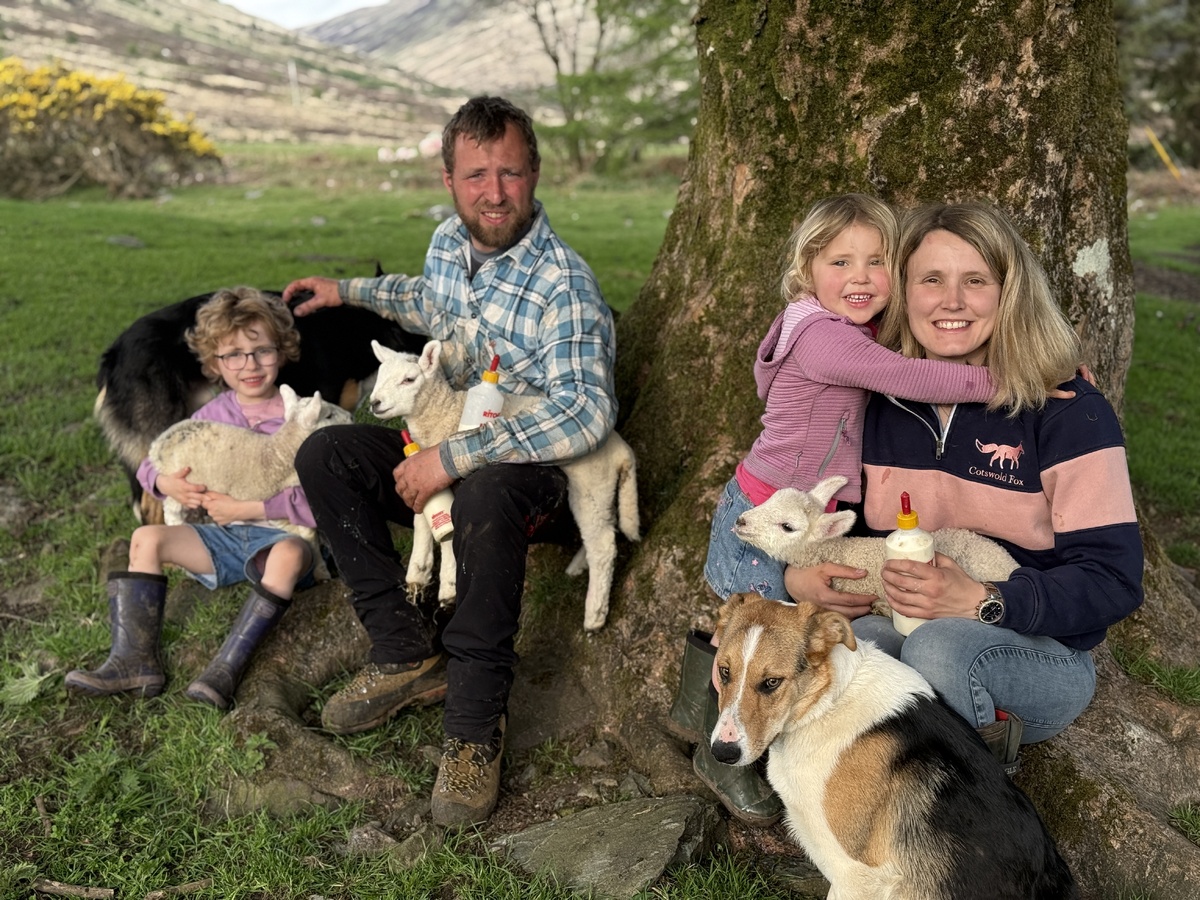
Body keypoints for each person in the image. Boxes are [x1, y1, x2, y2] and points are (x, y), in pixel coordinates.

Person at [281, 96, 616, 829]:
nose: (493, 193)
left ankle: (471, 730)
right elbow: (428, 301)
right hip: (443, 445)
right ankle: (403, 651)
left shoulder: (566, 285)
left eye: (510, 173)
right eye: (475, 175)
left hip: (534, 480)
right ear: (448, 178)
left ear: (535, 175)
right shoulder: (446, 245)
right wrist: (348, 292)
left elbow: (586, 413)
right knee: (327, 451)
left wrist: (453, 457)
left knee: (485, 493)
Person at [670, 193, 1000, 825]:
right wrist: (1008, 378)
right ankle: (718, 750)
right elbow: (914, 378)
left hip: (800, 514)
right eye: (840, 262)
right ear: (805, 273)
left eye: (877, 263)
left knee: (776, 623)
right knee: (752, 625)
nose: (860, 278)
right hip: (765, 512)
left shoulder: (842, 330)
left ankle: (694, 717)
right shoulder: (823, 337)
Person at [783, 201, 1144, 773]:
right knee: (858, 643)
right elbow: (830, 521)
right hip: (902, 622)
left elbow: (1115, 580)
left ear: (1009, 294)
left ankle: (976, 819)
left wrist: (983, 599)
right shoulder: (872, 400)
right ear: (902, 292)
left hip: (1039, 650)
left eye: (975, 280)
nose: (951, 301)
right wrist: (801, 578)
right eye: (931, 280)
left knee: (938, 648)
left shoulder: (1066, 411)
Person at [66, 287, 318, 709]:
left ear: (284, 349)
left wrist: (250, 508)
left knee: (290, 553)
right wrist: (167, 485)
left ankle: (226, 670)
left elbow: (319, 499)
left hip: (278, 538)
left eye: (261, 351)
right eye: (233, 354)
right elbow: (153, 460)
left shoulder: (301, 416)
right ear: (214, 363)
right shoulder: (210, 416)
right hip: (222, 541)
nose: (249, 365)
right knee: (147, 539)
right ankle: (134, 661)